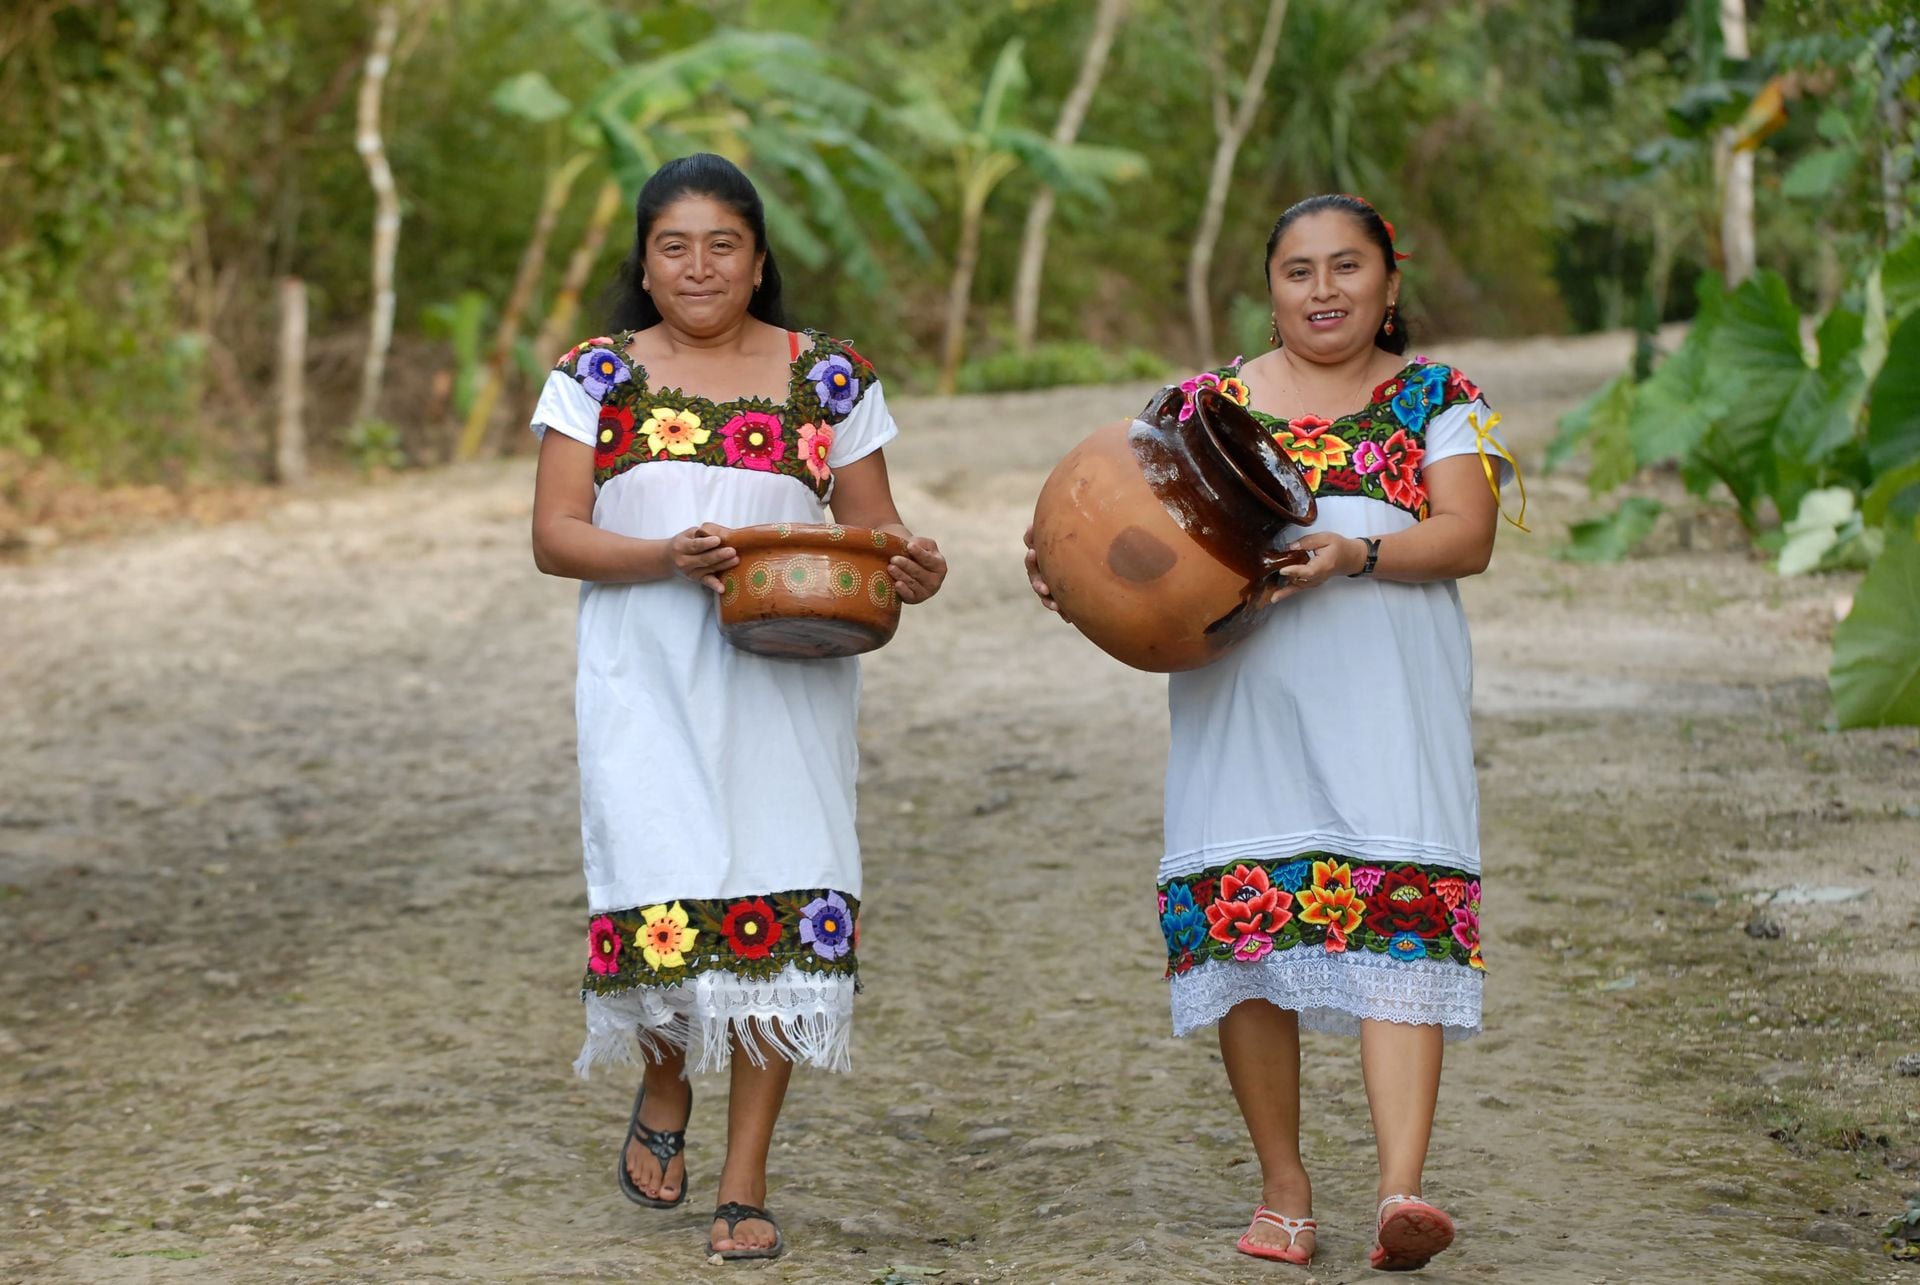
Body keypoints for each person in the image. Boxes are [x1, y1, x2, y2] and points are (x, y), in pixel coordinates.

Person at [1026, 192, 1522, 1272]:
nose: (1324, 289)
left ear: (1390, 284)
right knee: (1250, 927)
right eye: (1298, 271)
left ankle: (1400, 1191)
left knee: (1403, 921)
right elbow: (1119, 516)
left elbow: (1468, 535)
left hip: (1391, 697)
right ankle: (1285, 1193)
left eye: (1348, 267)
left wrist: (1360, 555)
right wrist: (1072, 566)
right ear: (1270, 288)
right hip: (1241, 702)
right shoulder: (1208, 403)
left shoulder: (1442, 396)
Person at [529, 152, 946, 1262]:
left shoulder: (832, 378)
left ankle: (745, 1176)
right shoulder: (598, 374)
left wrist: (904, 568)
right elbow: (554, 535)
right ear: (646, 263)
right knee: (663, 891)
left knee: (782, 898)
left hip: (792, 680)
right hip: (644, 683)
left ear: (760, 261)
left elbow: (872, 533)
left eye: (724, 244)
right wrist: (666, 555)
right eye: (676, 245)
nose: (700, 265)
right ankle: (665, 1078)